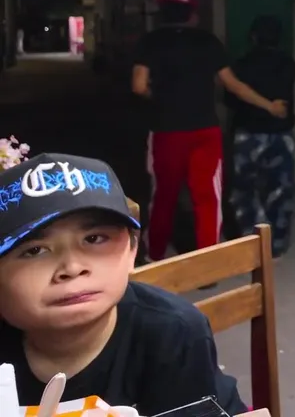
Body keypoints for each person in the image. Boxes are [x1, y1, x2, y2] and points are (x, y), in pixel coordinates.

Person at [0, 153, 246, 414]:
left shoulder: (173, 333)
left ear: (132, 250)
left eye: (94, 238)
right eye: (35, 250)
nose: (72, 268)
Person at [132, 0, 286, 263]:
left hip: (166, 130)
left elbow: (139, 86)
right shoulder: (208, 42)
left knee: (164, 194)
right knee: (207, 197)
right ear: (193, 14)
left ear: (163, 13)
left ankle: (154, 255)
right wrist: (269, 105)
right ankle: (209, 262)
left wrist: (160, 97)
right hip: (204, 130)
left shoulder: (151, 42)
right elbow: (233, 85)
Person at [225, 15, 295, 258]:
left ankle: (253, 242)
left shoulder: (240, 65)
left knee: (245, 190)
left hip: (248, 134)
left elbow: (229, 100)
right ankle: (277, 243)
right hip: (281, 133)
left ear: (253, 37)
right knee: (280, 189)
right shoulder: (288, 63)